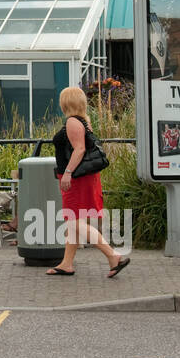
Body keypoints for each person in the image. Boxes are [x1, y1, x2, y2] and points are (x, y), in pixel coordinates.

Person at [45, 86, 128, 278]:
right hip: (83, 177)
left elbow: (79, 149)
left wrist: (67, 173)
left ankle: (112, 255)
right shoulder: (83, 121)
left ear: (66, 102)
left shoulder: (73, 122)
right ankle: (66, 264)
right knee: (75, 221)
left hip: (76, 179)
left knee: (75, 223)